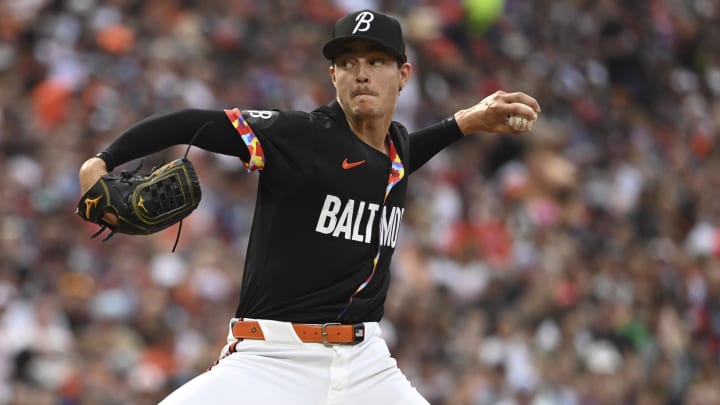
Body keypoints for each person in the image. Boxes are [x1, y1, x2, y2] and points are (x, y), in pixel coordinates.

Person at [78, 9, 540, 404]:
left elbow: (396, 158)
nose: (361, 72)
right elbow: (190, 122)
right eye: (348, 62)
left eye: (377, 61)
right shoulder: (300, 136)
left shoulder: (396, 149)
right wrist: (102, 161)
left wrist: (464, 122)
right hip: (271, 358)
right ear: (332, 75)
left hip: (366, 365)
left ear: (403, 75)